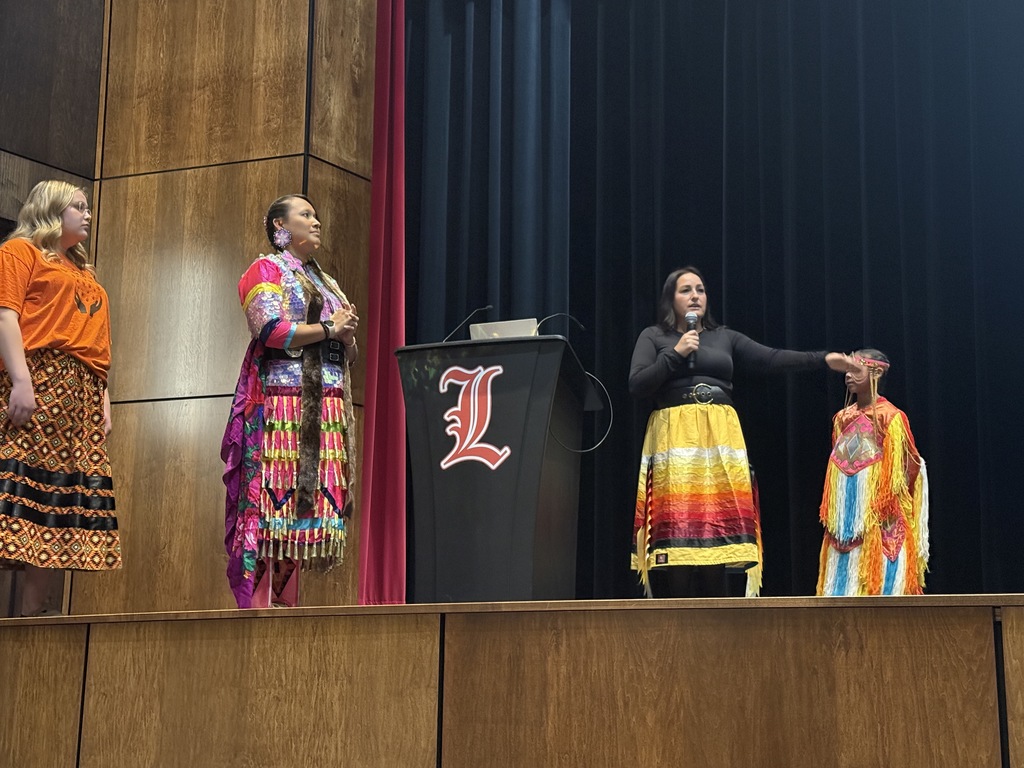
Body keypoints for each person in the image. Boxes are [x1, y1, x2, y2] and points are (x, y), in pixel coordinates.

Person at [629, 266, 851, 598]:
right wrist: (676, 355)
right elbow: (637, 385)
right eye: (685, 290)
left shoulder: (725, 337)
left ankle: (719, 629)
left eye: (700, 290)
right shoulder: (654, 336)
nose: (695, 296)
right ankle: (678, 628)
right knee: (681, 528)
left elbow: (772, 359)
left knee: (718, 528)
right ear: (670, 299)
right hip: (676, 438)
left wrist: (823, 359)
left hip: (720, 436)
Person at [221, 194, 359, 608]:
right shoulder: (265, 269)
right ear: (280, 227)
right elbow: (270, 330)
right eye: (306, 215)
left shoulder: (325, 280)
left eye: (316, 215)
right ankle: (258, 606)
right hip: (282, 404)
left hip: (326, 406)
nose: (316, 222)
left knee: (303, 512)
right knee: (271, 507)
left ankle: (284, 607)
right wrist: (328, 327)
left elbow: (341, 351)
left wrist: (345, 338)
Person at [0, 180, 120, 616]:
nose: (87, 215)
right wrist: (20, 379)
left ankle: (35, 611)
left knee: (55, 496)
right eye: (79, 207)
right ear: (52, 209)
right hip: (39, 378)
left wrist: (101, 400)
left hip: (81, 393)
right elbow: (5, 314)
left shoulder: (86, 274)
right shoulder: (20, 253)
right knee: (14, 485)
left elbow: (96, 346)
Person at [816, 350, 928, 596]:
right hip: (843, 519)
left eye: (855, 369)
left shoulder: (892, 417)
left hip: (879, 516)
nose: (847, 375)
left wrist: (882, 506)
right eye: (846, 370)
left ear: (877, 372)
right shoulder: (842, 418)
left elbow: (907, 469)